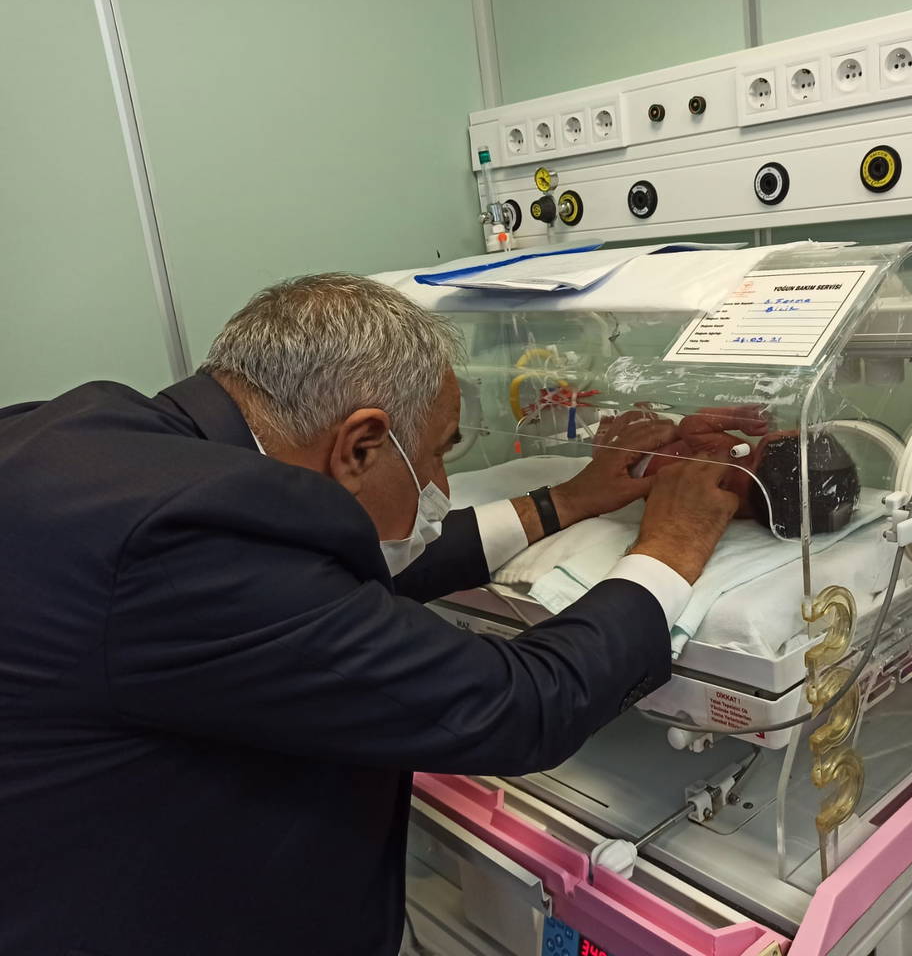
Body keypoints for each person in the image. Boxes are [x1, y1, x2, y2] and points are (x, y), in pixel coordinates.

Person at [0, 274, 739, 956]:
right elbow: (518, 704)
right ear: (360, 445)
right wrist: (670, 547)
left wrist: (564, 502)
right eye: (440, 454)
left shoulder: (94, 434)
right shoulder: (190, 541)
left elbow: (330, 572)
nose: (442, 482)